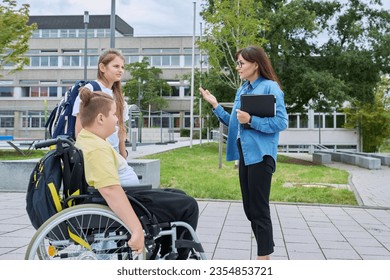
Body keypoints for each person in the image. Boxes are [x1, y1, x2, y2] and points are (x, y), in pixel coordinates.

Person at [75, 87, 199, 259]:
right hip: (129, 199)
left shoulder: (89, 140)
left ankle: (165, 252)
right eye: (114, 114)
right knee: (188, 206)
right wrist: (136, 230)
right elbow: (110, 190)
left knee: (178, 195)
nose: (117, 119)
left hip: (131, 196)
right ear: (101, 118)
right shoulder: (96, 149)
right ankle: (177, 261)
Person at [199, 46, 288, 260]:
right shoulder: (242, 89)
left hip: (261, 155)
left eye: (241, 63)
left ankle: (263, 258)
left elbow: (281, 122)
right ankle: (266, 249)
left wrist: (251, 120)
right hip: (245, 155)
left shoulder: (270, 88)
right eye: (237, 63)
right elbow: (234, 124)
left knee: (258, 208)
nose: (237, 67)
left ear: (255, 64)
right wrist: (215, 105)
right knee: (250, 208)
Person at [73, 48, 129, 159]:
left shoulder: (119, 97)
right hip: (95, 153)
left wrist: (123, 155)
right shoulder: (90, 90)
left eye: (122, 67)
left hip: (114, 153)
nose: (121, 70)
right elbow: (79, 129)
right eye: (116, 66)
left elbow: (121, 130)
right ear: (102, 67)